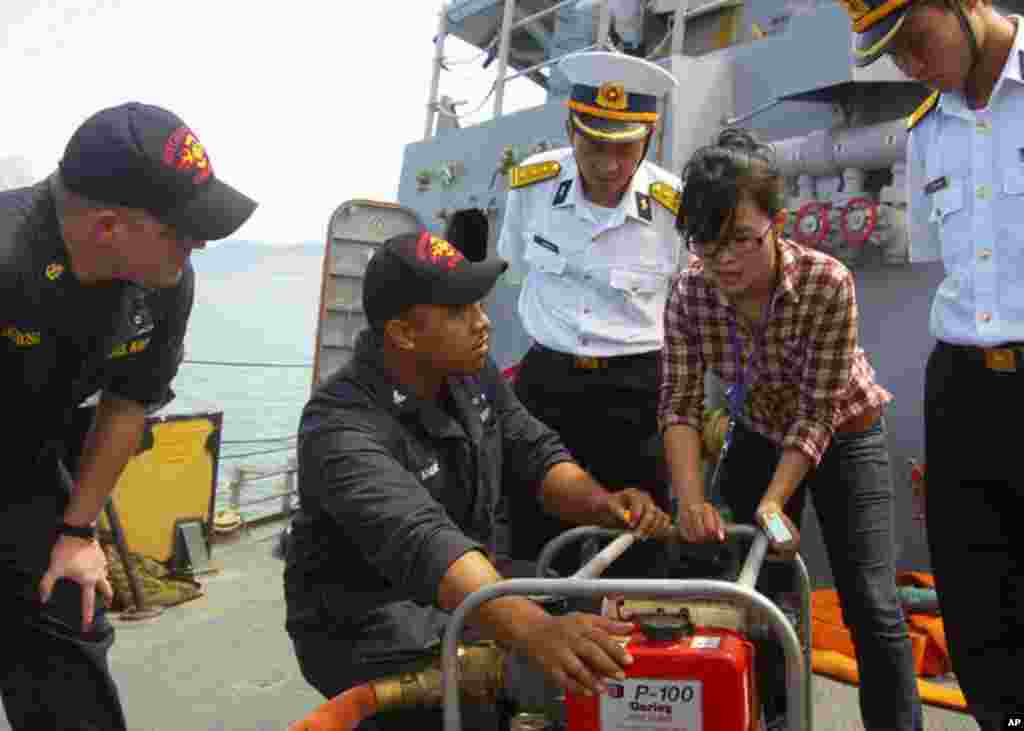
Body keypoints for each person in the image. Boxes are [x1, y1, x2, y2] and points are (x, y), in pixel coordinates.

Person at [283, 230, 672, 731]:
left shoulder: (469, 373)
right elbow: (423, 539)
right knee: (494, 702)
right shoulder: (340, 425)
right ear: (403, 332)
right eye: (459, 312)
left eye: (478, 305)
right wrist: (533, 630)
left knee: (606, 618)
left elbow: (536, 452)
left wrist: (603, 504)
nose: (483, 322)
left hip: (465, 594)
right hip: (369, 627)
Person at [0, 102, 257, 730]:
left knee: (69, 617)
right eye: (182, 229)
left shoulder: (166, 280)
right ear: (109, 227)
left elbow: (127, 404)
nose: (199, 243)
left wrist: (78, 533)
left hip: (29, 465)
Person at [657, 128, 923, 730]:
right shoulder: (688, 293)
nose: (723, 259)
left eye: (741, 240)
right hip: (757, 432)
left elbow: (817, 413)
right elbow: (677, 402)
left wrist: (775, 505)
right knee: (752, 592)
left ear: (776, 223)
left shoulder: (828, 284)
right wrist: (692, 500)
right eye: (705, 242)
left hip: (845, 433)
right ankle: (772, 720)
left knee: (872, 604)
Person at [844, 0, 1024, 725]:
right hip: (964, 385)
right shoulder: (929, 131)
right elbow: (938, 259)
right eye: (894, 55)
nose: (912, 66)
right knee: (979, 602)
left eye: (917, 40)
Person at [497, 50, 685, 577]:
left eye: (624, 150)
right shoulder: (531, 186)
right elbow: (512, 268)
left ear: (649, 139)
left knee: (637, 544)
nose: (607, 165)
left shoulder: (675, 207)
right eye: (593, 146)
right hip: (545, 387)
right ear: (570, 129)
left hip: (637, 392)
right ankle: (537, 645)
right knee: (534, 536)